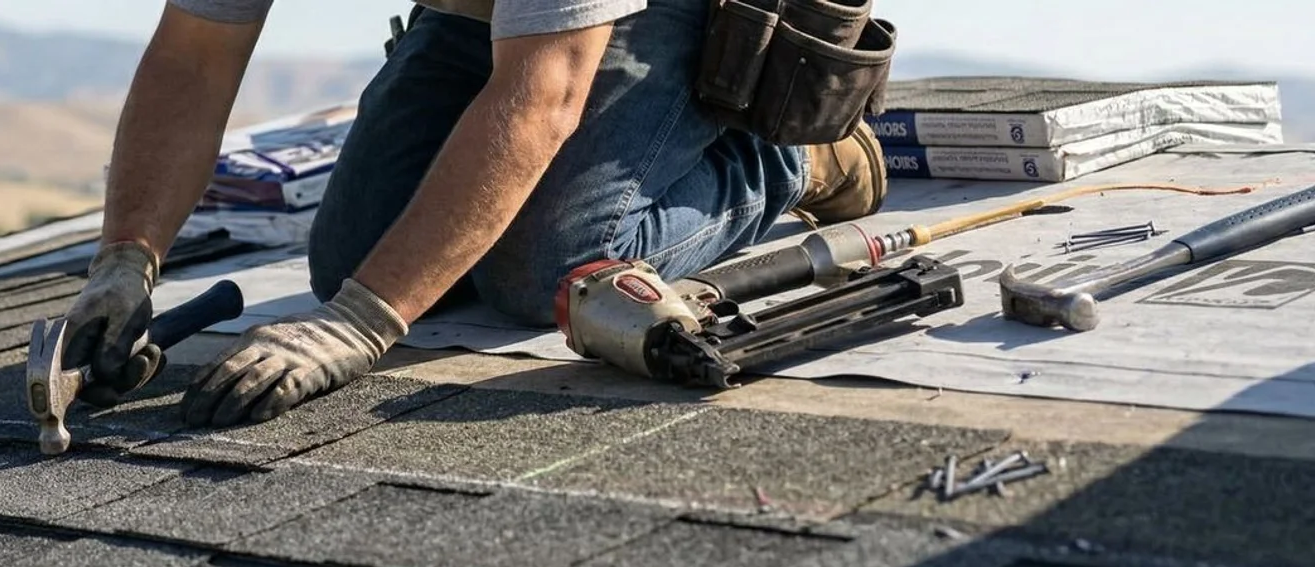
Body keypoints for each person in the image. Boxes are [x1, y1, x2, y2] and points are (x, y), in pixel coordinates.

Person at [61, 0, 887, 427]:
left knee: (546, 267)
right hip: (477, 11)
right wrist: (126, 259)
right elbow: (194, 55)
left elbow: (542, 95)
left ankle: (788, 160)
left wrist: (360, 324)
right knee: (352, 256)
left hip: (671, 11)